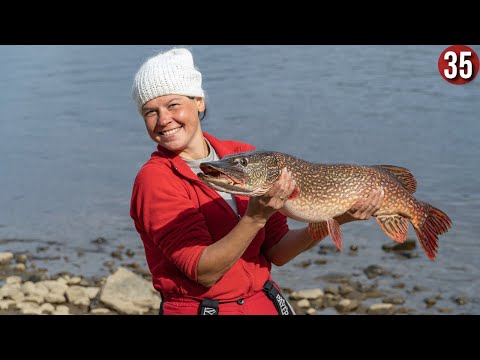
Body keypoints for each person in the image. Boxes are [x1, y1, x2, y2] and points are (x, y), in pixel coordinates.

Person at [129, 47, 384, 315]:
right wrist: (254, 218)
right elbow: (203, 272)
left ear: (199, 101)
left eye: (173, 105)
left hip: (263, 304)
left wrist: (338, 217)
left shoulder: (242, 156)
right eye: (150, 112)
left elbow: (277, 251)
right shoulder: (156, 179)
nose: (164, 119)